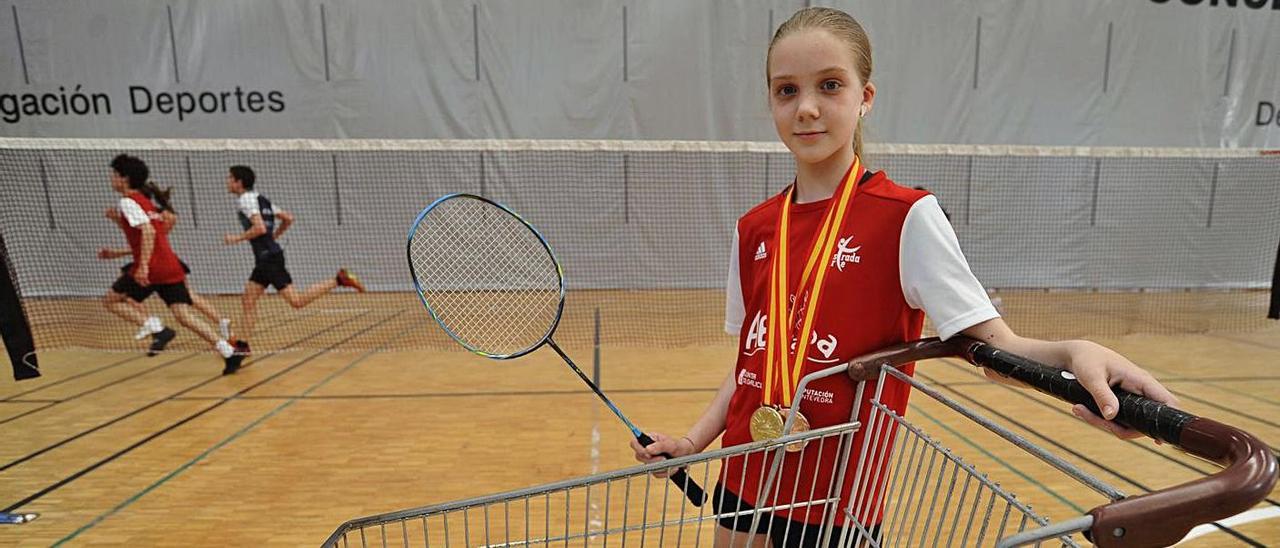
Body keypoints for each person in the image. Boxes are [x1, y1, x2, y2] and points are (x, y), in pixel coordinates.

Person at [629, 8, 1176, 548]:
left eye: (830, 85)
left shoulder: (906, 216)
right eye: (787, 91)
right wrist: (696, 441)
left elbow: (997, 348)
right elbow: (754, 362)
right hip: (743, 477)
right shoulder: (754, 228)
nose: (807, 108)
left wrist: (1076, 351)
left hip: (835, 503)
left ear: (865, 98)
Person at [99, 154, 244, 374]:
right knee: (184, 315)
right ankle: (228, 352)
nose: (111, 178)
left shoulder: (128, 202)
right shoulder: (144, 202)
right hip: (170, 266)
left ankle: (157, 328)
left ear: (123, 178)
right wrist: (118, 221)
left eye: (114, 174)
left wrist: (144, 267)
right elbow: (142, 233)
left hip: (153, 268)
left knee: (111, 300)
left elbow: (147, 232)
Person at [223, 165, 365, 356]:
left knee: (296, 302)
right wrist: (274, 238)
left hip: (269, 260)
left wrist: (236, 238)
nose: (227, 181)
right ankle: (243, 345)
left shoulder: (245, 201)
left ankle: (339, 280)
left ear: (239, 182)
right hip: (266, 258)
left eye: (230, 178)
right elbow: (288, 218)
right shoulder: (260, 198)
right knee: (248, 299)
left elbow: (260, 228)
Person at [103, 198, 232, 344]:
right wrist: (117, 222)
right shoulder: (145, 216)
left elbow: (150, 238)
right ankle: (152, 327)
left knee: (187, 298)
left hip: (161, 265)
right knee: (187, 298)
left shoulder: (152, 215)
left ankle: (152, 325)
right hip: (157, 262)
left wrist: (117, 252)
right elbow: (138, 238)